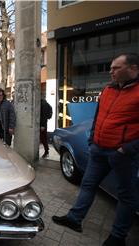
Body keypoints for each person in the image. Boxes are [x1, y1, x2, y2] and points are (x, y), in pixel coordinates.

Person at [52, 53, 139, 246]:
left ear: (132, 69)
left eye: (116, 68)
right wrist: (92, 140)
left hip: (122, 155)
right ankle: (74, 219)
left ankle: (118, 237)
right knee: (88, 185)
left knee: (126, 196)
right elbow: (98, 116)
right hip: (99, 150)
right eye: (110, 68)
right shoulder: (108, 90)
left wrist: (126, 149)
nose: (111, 71)